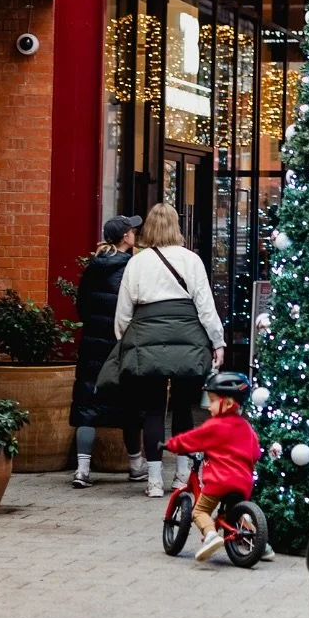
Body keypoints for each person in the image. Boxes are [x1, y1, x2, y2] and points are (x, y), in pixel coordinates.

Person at [112, 203, 226, 499]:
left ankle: (153, 481)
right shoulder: (191, 260)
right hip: (187, 337)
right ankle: (182, 476)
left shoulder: (136, 263)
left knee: (152, 408)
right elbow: (205, 306)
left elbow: (124, 310)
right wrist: (218, 342)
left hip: (147, 337)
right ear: (176, 226)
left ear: (148, 228)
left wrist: (124, 339)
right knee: (184, 407)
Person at [68, 214, 146, 489]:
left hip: (92, 343)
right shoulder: (132, 267)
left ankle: (82, 469)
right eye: (132, 231)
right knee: (130, 403)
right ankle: (136, 465)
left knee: (88, 403)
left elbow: (82, 306)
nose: (135, 234)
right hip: (121, 344)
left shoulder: (94, 265)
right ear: (125, 237)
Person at [165, 370, 262, 564]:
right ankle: (260, 544)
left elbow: (191, 439)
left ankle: (210, 535)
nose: (208, 407)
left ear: (227, 403)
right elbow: (256, 453)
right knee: (233, 513)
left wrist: (170, 444)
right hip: (243, 482)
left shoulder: (215, 425)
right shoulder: (247, 428)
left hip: (220, 481)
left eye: (212, 400)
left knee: (199, 512)